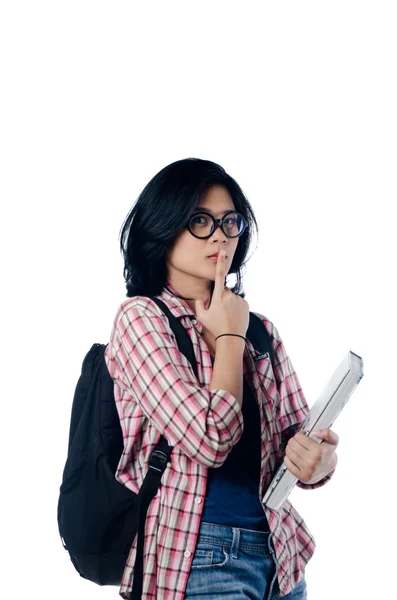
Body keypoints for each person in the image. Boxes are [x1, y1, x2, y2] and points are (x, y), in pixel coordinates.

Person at [104, 157, 338, 600]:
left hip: (281, 558)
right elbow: (209, 439)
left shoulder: (261, 329)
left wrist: (319, 461)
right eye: (199, 220)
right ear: (163, 227)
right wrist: (229, 335)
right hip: (198, 559)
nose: (220, 234)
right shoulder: (141, 320)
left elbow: (295, 439)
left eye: (230, 221)